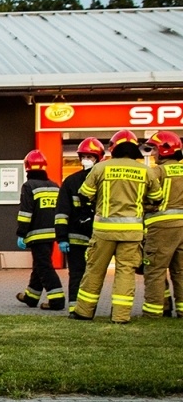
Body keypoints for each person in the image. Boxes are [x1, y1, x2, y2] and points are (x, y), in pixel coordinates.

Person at [71, 129, 148, 323]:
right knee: (125, 272)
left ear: (113, 148)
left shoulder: (101, 168)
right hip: (132, 233)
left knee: (95, 270)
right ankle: (120, 316)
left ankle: (84, 312)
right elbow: (156, 198)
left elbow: (84, 193)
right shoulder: (146, 171)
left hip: (104, 231)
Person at [140, 130, 183, 318]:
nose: (153, 154)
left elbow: (143, 198)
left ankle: (154, 311)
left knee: (155, 270)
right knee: (180, 271)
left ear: (165, 150)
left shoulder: (155, 172)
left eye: (155, 149)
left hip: (161, 228)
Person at [14, 149, 64, 310]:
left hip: (36, 234)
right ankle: (31, 296)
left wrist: (21, 233)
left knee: (44, 266)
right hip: (52, 233)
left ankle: (57, 299)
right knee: (39, 264)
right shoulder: (54, 185)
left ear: (27, 167)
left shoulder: (29, 186)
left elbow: (25, 213)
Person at [55, 137, 104, 298]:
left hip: (99, 236)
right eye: (83, 157)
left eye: (89, 157)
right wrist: (62, 237)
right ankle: (74, 306)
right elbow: (62, 212)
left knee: (93, 274)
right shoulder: (71, 181)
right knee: (77, 273)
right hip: (77, 236)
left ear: (98, 158)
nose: (86, 160)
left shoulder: (104, 180)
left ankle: (86, 307)